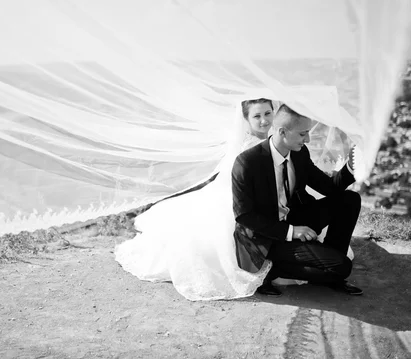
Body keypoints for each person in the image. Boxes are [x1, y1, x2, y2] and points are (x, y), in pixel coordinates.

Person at [114, 98, 275, 301]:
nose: (263, 120)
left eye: (267, 113)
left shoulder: (271, 141)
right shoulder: (248, 148)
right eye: (257, 116)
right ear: (246, 119)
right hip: (238, 198)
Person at [231, 104, 363, 297]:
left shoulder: (300, 153)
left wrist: (352, 165)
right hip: (267, 235)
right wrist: (291, 232)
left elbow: (328, 187)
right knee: (342, 267)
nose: (308, 139)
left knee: (349, 199)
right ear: (282, 132)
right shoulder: (247, 163)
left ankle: (329, 263)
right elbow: (244, 216)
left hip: (294, 216)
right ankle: (273, 269)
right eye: (303, 134)